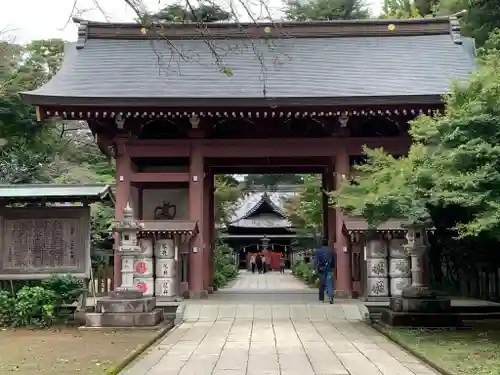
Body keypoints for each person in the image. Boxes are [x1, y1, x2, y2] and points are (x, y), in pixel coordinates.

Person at [314, 238, 335, 304]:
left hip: (321, 269)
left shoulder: (318, 251)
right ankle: (330, 297)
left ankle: (321, 299)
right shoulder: (331, 251)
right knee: (329, 283)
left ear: (321, 243)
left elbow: (316, 261)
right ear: (327, 243)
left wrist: (315, 268)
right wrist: (332, 267)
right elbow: (333, 261)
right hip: (329, 269)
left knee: (322, 284)